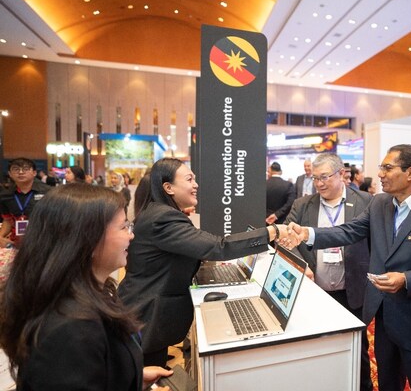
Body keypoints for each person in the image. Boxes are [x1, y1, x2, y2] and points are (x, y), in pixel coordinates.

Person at [289, 144, 411, 391]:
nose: (380, 174)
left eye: (387, 168)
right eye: (381, 167)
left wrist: (407, 279)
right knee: (387, 383)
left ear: (410, 173)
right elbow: (349, 231)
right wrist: (308, 234)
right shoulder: (380, 203)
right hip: (384, 319)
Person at [117, 158, 298, 367]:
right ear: (168, 188)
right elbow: (219, 247)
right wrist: (272, 232)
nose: (196, 185)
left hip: (146, 310)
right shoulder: (163, 218)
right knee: (146, 373)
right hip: (146, 312)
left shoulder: (161, 213)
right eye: (189, 179)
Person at [0, 183, 172, 390]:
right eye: (123, 227)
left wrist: (131, 377)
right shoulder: (70, 328)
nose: (131, 235)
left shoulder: (92, 294)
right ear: (88, 239)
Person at [284, 153, 373, 391]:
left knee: (357, 348)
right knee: (317, 348)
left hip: (352, 289)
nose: (319, 184)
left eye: (324, 177)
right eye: (315, 178)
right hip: (316, 292)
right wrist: (301, 266)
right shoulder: (303, 205)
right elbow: (285, 241)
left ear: (341, 174)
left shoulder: (365, 201)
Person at [0, 158, 51, 248]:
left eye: (25, 169)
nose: (20, 172)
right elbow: (8, 220)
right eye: (16, 169)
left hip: (44, 241)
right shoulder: (5, 195)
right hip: (17, 242)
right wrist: (0, 237)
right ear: (10, 174)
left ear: (34, 173)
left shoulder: (49, 192)